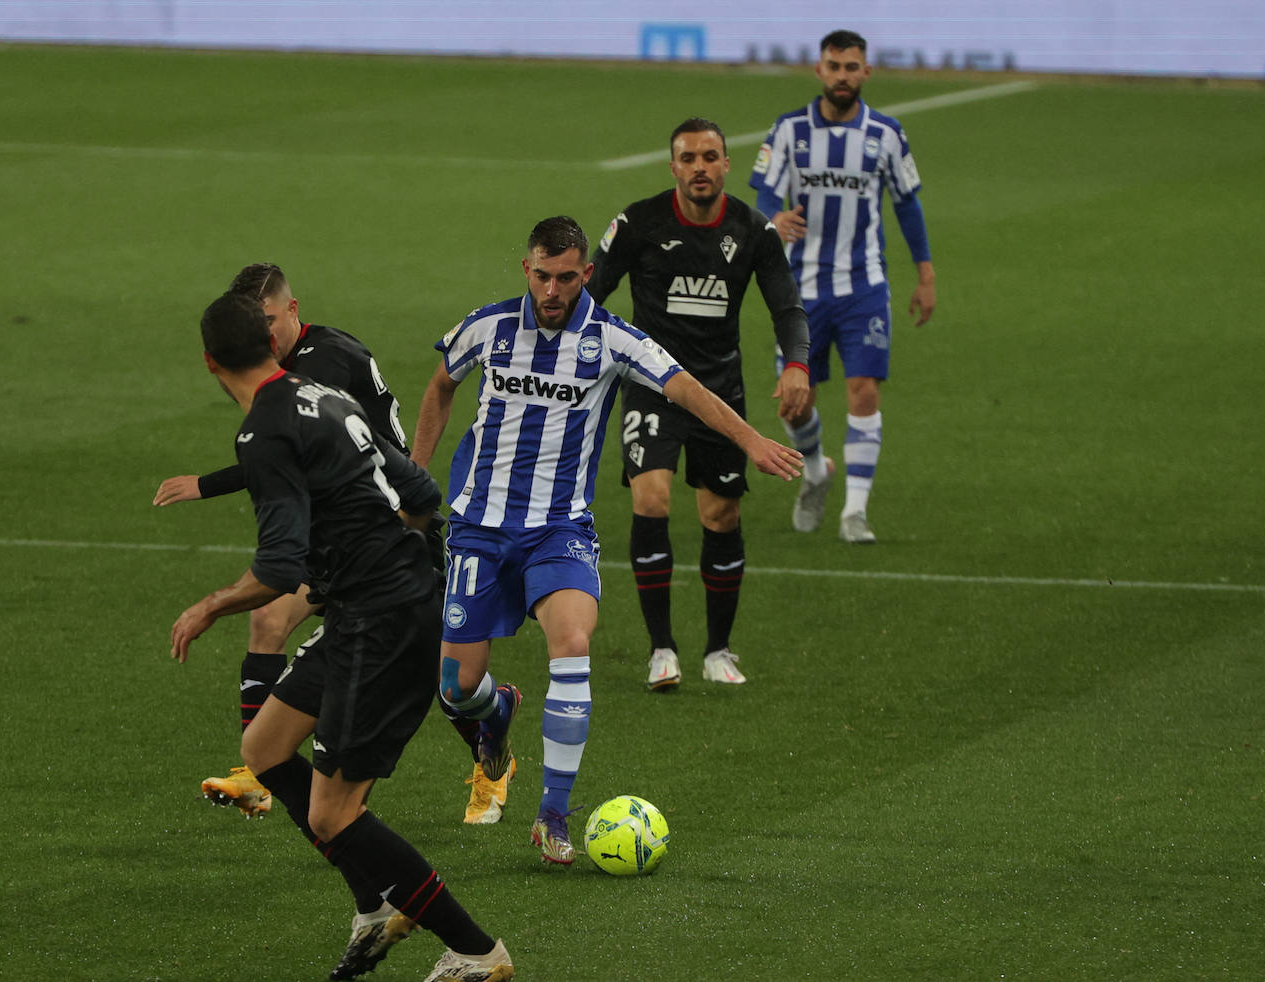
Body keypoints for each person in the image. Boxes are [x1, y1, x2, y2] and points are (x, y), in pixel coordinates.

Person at [411, 216, 801, 865]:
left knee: (573, 643)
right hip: (479, 528)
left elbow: (689, 390)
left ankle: (552, 815)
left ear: (586, 273)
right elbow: (441, 385)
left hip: (560, 530)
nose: (553, 290)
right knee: (455, 687)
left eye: (567, 277)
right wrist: (417, 482)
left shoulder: (614, 340)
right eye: (543, 276)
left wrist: (751, 440)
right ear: (527, 270)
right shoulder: (489, 328)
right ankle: (498, 712)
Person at [170, 291, 513, 982]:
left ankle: (479, 953)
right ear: (272, 345)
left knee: (332, 814)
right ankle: (375, 903)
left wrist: (210, 607)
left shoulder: (262, 432)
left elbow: (279, 566)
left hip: (380, 622)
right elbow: (418, 492)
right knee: (264, 748)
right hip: (378, 606)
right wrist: (401, 569)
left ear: (210, 362)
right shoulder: (322, 395)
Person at [587, 117, 810, 692]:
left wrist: (796, 364)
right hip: (652, 384)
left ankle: (718, 650)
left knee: (721, 515)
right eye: (689, 158)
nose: (700, 168)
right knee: (653, 497)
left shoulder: (753, 230)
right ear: (674, 168)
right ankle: (661, 648)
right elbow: (592, 292)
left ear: (726, 164)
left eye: (710, 156)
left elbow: (786, 307)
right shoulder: (639, 223)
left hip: (719, 393)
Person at [749, 29, 938, 543]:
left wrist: (925, 274)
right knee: (794, 403)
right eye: (834, 66)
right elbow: (763, 195)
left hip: (864, 287)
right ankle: (815, 471)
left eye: (851, 67)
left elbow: (907, 203)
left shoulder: (886, 134)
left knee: (864, 390)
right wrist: (773, 219)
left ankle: (855, 511)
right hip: (800, 291)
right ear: (819, 71)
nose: (842, 76)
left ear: (866, 73)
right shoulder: (788, 131)